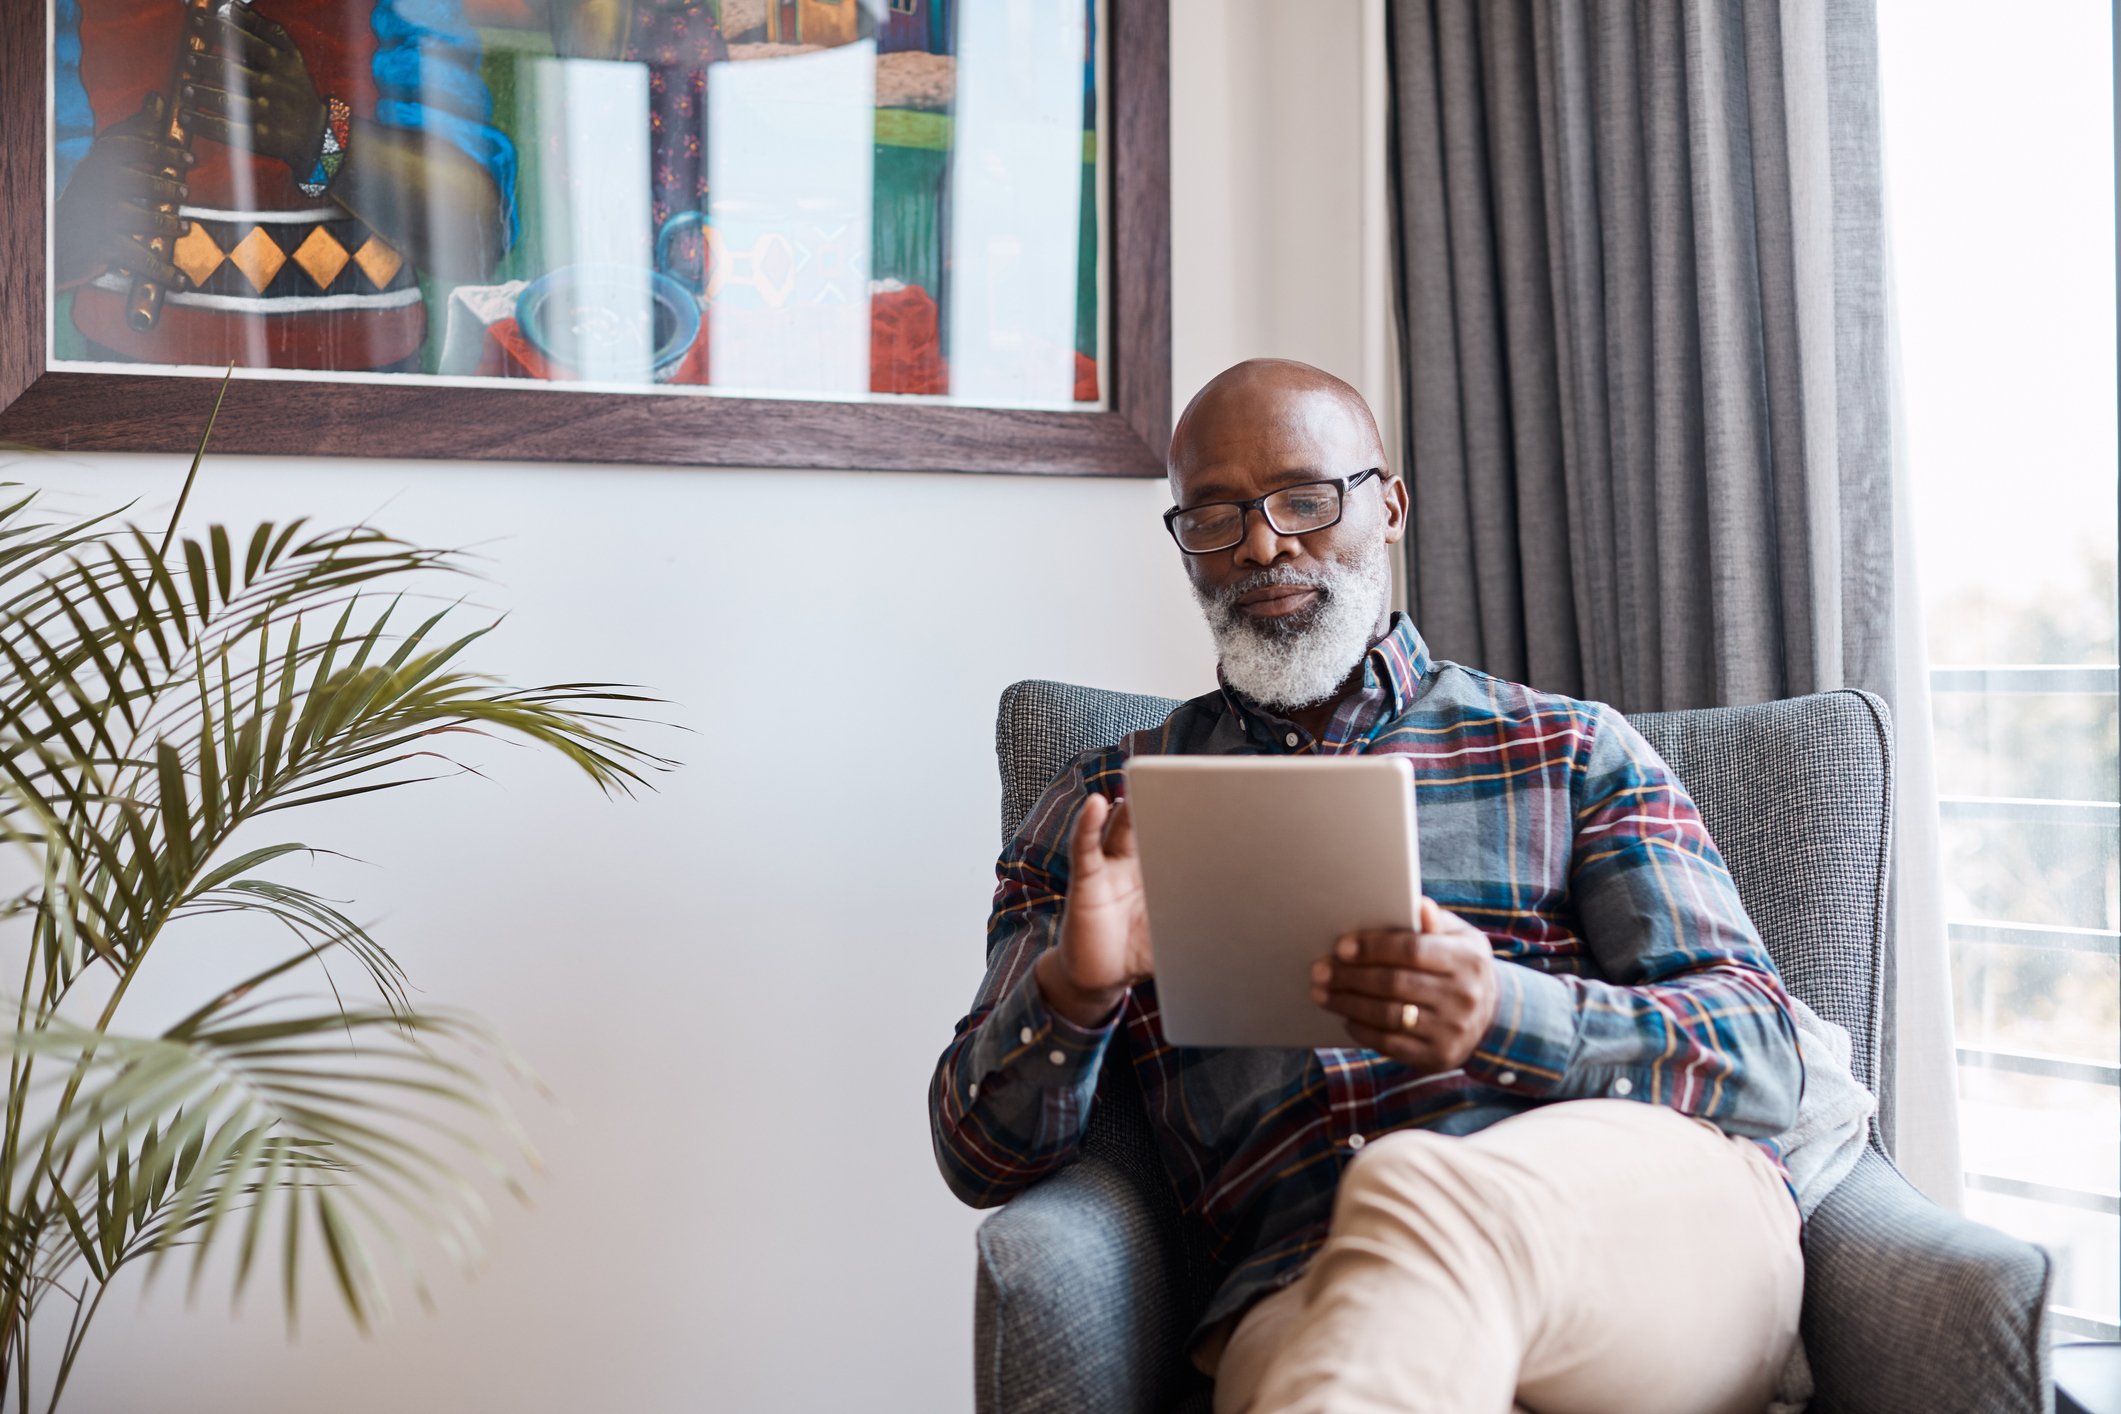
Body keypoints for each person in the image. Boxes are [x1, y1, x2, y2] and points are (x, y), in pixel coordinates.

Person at [928, 358, 1807, 1414]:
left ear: (1388, 506)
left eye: (1304, 498)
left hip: (1645, 1240)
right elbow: (977, 1155)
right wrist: (1074, 987)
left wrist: (1503, 1014)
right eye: (1212, 518)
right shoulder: (1109, 808)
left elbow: (1762, 1058)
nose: (1261, 545)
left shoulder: (1569, 749)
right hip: (1310, 1291)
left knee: (1412, 1184)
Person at [52, 0, 515, 371]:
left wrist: (320, 140)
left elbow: (478, 236)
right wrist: (80, 220)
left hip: (365, 386)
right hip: (119, 378)